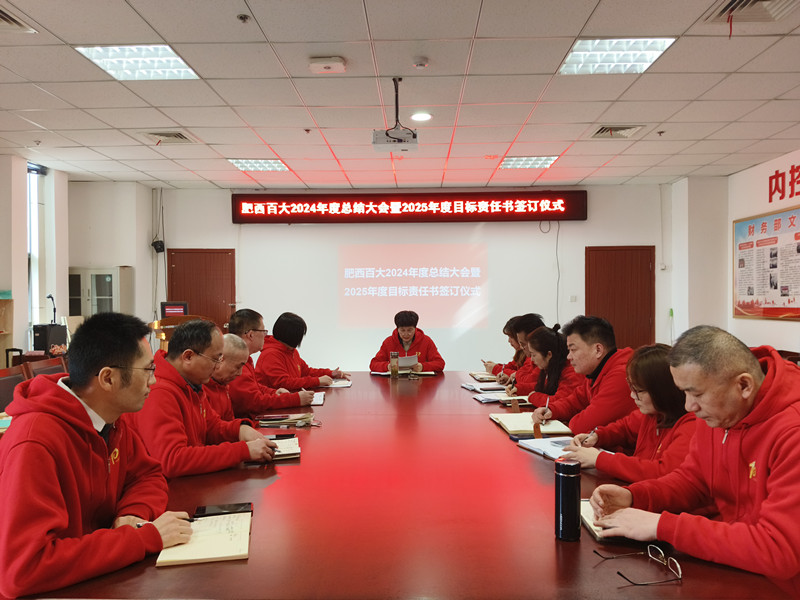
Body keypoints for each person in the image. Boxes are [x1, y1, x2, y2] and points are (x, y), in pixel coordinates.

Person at [589, 326, 800, 595]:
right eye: (684, 393)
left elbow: (779, 550)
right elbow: (694, 481)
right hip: (733, 565)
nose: (689, 407)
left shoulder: (791, 431)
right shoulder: (720, 412)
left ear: (744, 386)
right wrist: (634, 496)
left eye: (697, 394)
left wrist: (664, 526)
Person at [0, 312, 192, 598]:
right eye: (148, 370)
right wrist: (142, 538)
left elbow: (147, 475)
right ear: (108, 379)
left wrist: (132, 513)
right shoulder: (35, 442)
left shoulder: (111, 418)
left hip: (98, 578)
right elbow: (23, 569)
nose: (154, 381)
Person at [131, 319, 276, 478]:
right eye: (215, 359)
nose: (217, 366)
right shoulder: (159, 392)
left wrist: (240, 430)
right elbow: (172, 459)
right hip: (173, 488)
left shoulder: (192, 383)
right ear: (188, 356)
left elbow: (212, 426)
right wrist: (243, 451)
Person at [563, 343, 696, 482]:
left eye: (638, 390)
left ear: (662, 391)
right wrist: (598, 436)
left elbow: (662, 472)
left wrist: (599, 459)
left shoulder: (691, 426)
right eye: (632, 388)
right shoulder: (653, 414)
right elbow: (625, 428)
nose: (632, 396)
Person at [532, 315, 634, 433]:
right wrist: (551, 410)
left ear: (598, 350)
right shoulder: (596, 370)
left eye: (573, 350)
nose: (569, 357)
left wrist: (570, 420)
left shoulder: (621, 376)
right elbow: (574, 401)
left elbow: (583, 426)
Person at [227, 309, 313, 418]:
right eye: (263, 331)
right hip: (248, 422)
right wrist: (295, 399)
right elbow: (255, 402)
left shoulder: (247, 359)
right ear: (251, 335)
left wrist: (273, 392)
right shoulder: (236, 362)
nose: (265, 335)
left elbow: (256, 387)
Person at [257, 312, 350, 390]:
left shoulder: (291, 350)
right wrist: (317, 381)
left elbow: (306, 371)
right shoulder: (270, 354)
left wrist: (330, 373)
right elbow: (284, 383)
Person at [522, 324, 584, 408]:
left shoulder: (571, 372)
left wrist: (533, 397)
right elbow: (542, 387)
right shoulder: (551, 367)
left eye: (534, 355)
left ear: (549, 354)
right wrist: (519, 388)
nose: (532, 360)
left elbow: (558, 402)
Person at [369, 310, 445, 372]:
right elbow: (373, 364)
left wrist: (423, 367)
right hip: (395, 382)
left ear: (415, 328)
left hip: (419, 382)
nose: (406, 334)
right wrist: (388, 367)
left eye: (410, 330)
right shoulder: (388, 342)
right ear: (397, 329)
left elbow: (440, 363)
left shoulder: (426, 341)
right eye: (402, 330)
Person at [204, 333, 250, 421]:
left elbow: (229, 422)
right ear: (220, 359)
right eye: (238, 367)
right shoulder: (200, 389)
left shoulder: (223, 386)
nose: (240, 373)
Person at [481, 316, 524, 382]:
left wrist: (495, 369)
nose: (509, 341)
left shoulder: (530, 355)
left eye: (511, 337)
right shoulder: (521, 353)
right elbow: (512, 367)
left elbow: (522, 376)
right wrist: (495, 366)